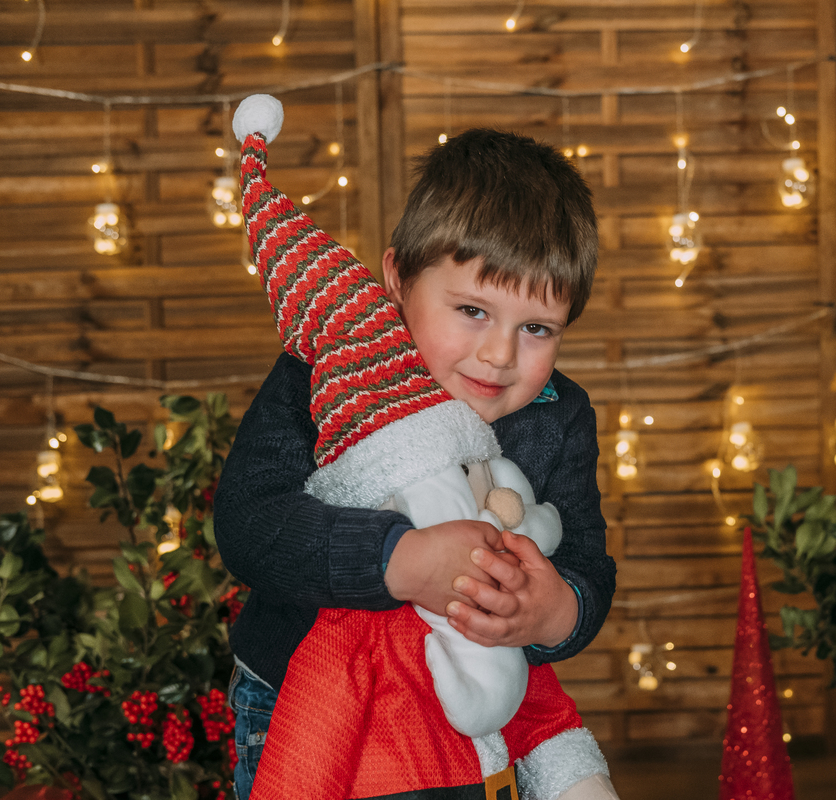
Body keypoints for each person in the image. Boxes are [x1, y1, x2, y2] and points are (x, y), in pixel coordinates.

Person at [215, 97, 616, 800]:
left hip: (470, 713)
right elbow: (251, 525)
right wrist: (397, 559)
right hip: (304, 708)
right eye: (472, 311)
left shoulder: (560, 415)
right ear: (397, 280)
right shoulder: (324, 375)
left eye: (538, 329)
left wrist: (555, 611)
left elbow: (585, 555)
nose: (499, 356)